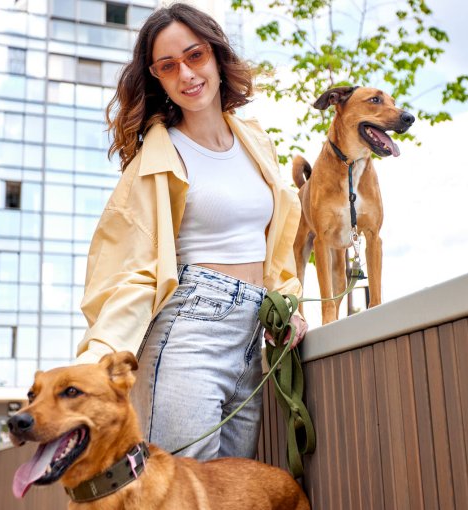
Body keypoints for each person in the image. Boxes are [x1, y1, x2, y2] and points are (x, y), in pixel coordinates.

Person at [74, 3, 307, 461]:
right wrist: (96, 359)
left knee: (231, 490)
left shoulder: (255, 142)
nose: (186, 73)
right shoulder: (157, 159)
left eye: (194, 55)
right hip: (190, 332)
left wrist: (288, 302)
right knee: (186, 492)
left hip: (253, 335)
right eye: (168, 66)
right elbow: (127, 269)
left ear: (216, 56)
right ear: (158, 78)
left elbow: (277, 241)